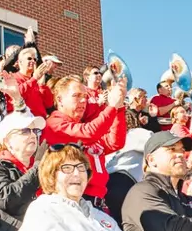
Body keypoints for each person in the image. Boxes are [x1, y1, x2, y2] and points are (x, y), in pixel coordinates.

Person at [42, 74, 128, 202]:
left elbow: (114, 142)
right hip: (71, 199)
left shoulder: (80, 126)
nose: (83, 101)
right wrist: (112, 107)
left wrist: (119, 107)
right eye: (76, 96)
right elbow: (90, 132)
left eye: (85, 97)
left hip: (97, 201)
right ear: (59, 100)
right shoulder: (54, 123)